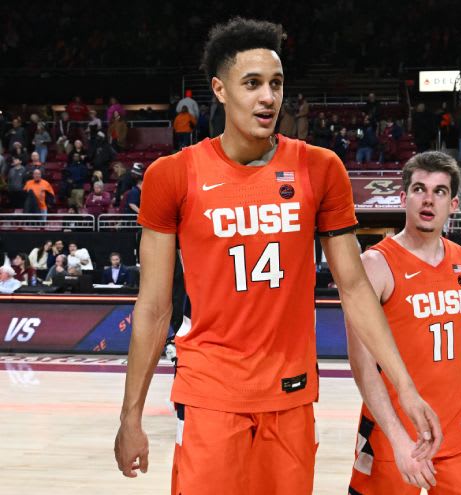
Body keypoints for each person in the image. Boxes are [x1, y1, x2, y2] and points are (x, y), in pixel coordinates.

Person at [114, 18, 440, 495]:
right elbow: (154, 306)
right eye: (252, 84)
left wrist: (405, 388)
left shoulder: (319, 167)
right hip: (210, 393)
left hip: (290, 394)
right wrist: (131, 417)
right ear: (220, 90)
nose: (268, 97)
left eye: (276, 84)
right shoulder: (173, 175)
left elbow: (354, 289)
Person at [348, 151, 461, 494]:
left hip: (454, 423)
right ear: (403, 198)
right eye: (419, 189)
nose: (428, 200)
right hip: (392, 429)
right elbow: (362, 362)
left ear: (453, 204)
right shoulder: (375, 264)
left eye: (439, 191)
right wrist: (398, 438)